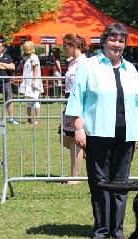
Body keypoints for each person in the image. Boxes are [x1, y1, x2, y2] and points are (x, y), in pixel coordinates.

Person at [65, 23, 138, 239]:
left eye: (121, 41)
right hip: (98, 132)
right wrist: (79, 128)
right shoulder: (89, 66)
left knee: (121, 183)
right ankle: (101, 229)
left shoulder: (131, 69)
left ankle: (117, 229)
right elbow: (76, 99)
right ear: (104, 42)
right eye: (113, 40)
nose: (116, 45)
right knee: (100, 182)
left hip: (126, 133)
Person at [58, 33, 88, 185]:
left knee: (74, 140)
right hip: (69, 101)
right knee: (64, 138)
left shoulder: (84, 62)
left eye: (65, 46)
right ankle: (87, 154)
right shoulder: (73, 62)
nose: (64, 49)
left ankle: (75, 177)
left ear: (73, 46)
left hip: (77, 103)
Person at [19, 40, 43, 125]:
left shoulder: (34, 57)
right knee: (28, 101)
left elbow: (36, 70)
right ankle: (29, 119)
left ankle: (37, 120)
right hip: (27, 82)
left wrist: (34, 81)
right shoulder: (28, 58)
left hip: (33, 82)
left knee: (36, 101)